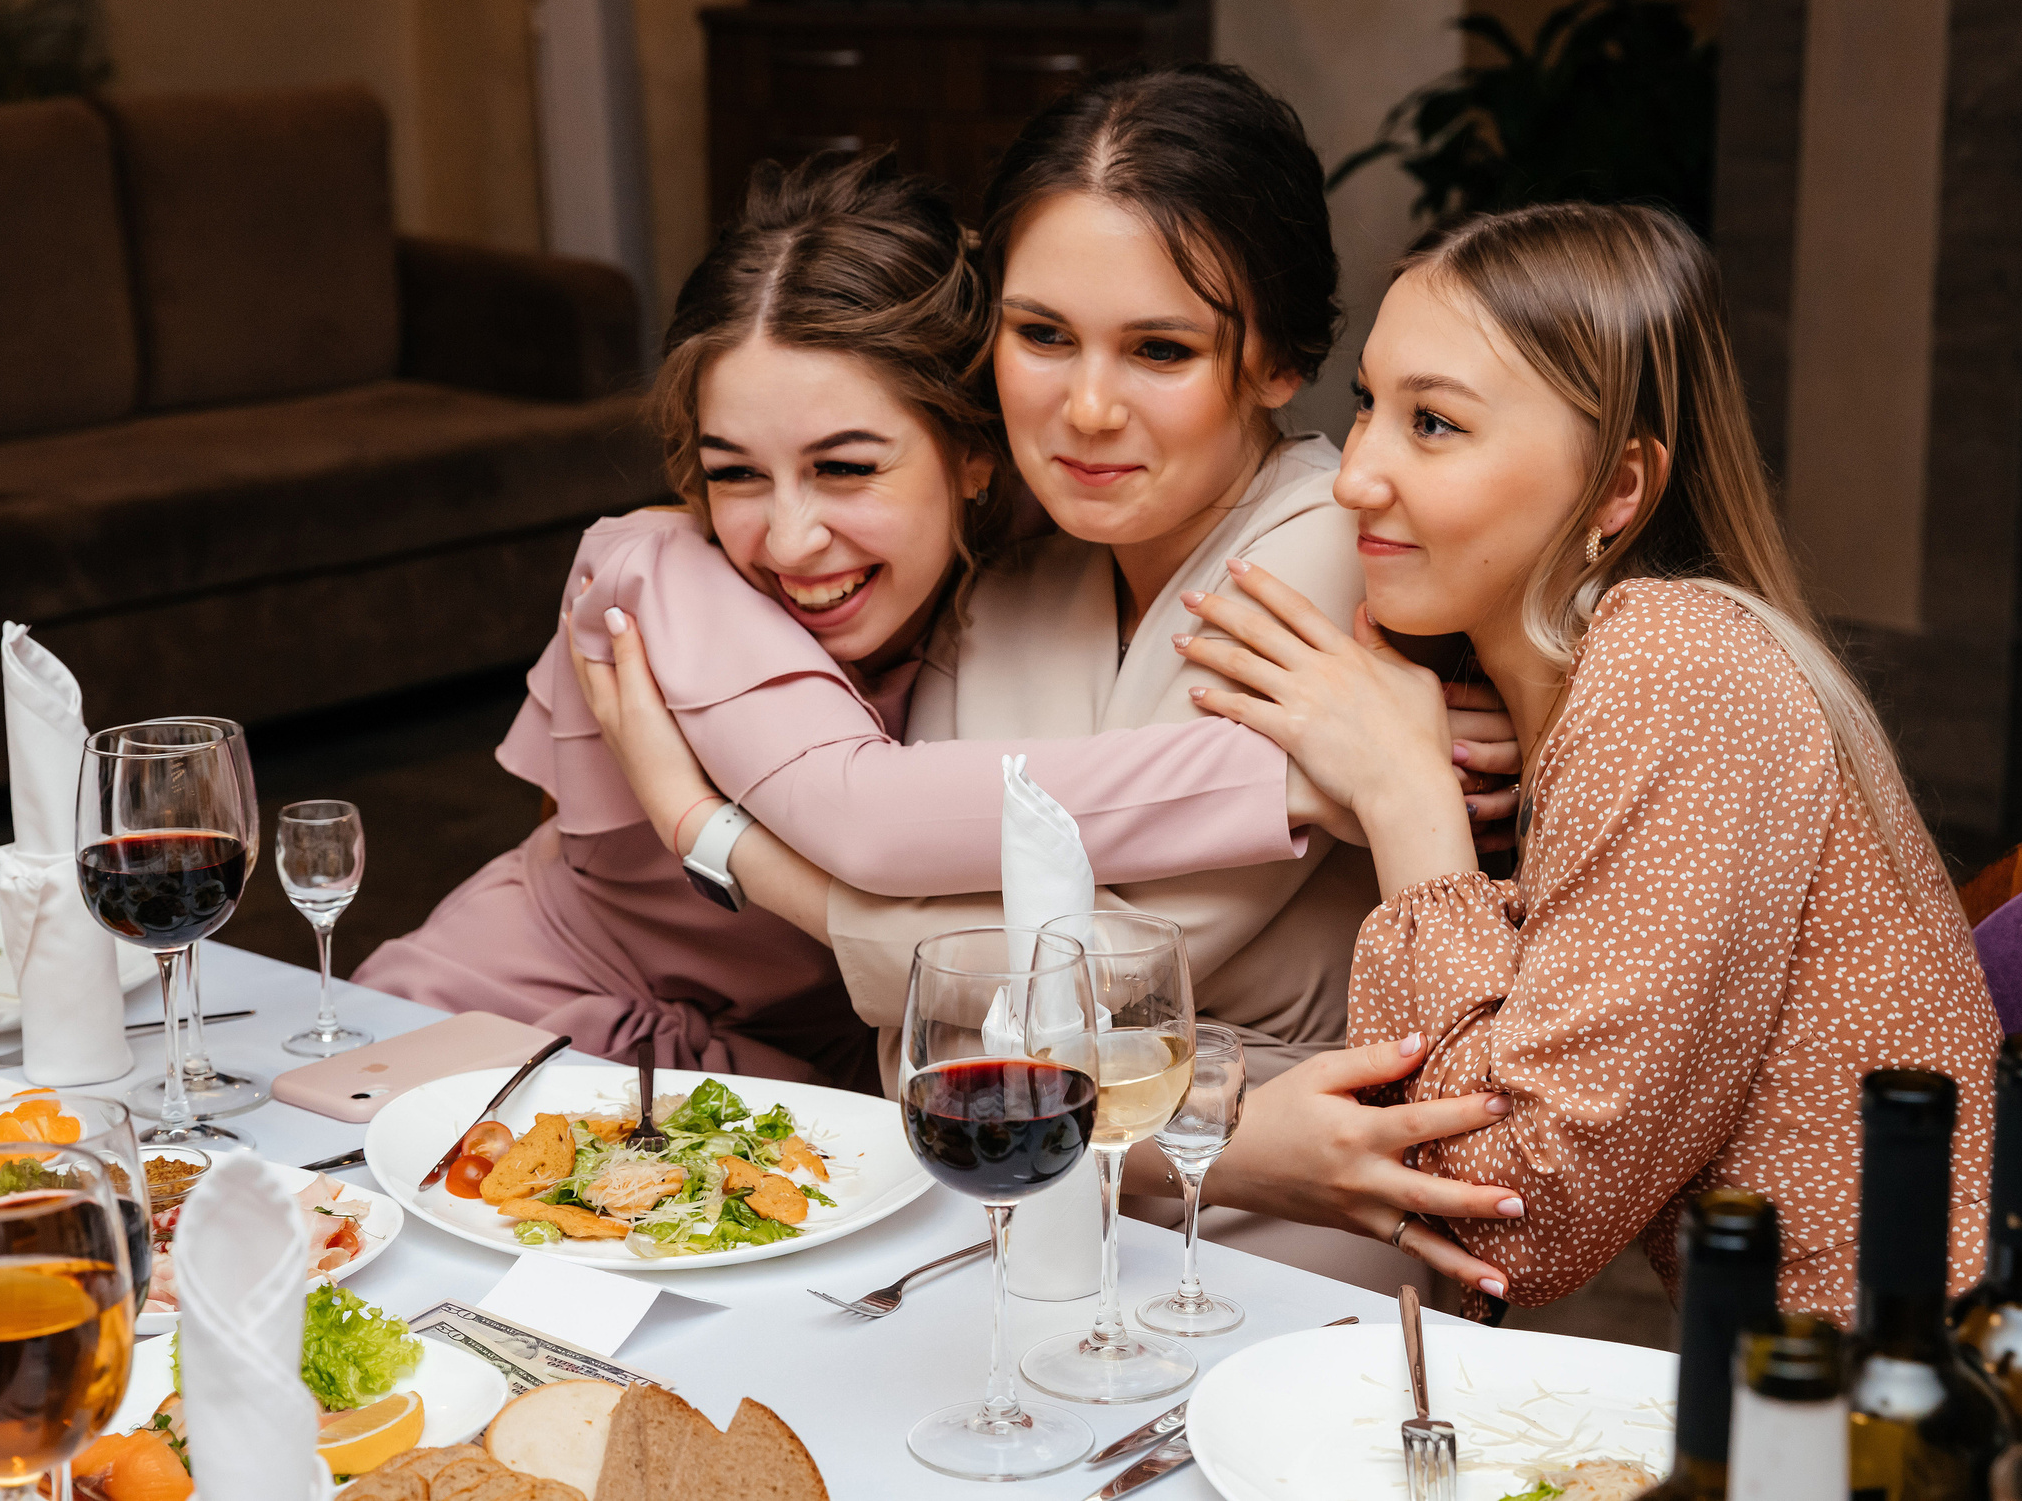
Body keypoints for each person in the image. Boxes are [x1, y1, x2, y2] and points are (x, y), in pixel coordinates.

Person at [573, 65, 1529, 1298]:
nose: (1083, 408)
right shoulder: (1012, 581)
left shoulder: (1338, 568)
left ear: (1280, 362)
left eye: (1160, 349)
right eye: (1040, 336)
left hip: (1299, 1207)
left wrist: (716, 834)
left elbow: (1049, 995)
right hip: (1040, 1179)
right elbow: (941, 1042)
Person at [357, 150, 1409, 1094]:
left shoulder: (1012, 582)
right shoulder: (662, 577)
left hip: (792, 1086)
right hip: (509, 1023)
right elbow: (869, 816)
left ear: (971, 456)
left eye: (846, 468)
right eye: (735, 475)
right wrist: (1312, 775)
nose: (789, 539)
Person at [1168, 201, 2001, 1316]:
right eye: (1368, 405)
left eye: (1435, 426)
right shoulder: (1585, 684)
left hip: (1901, 1422)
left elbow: (1511, 1210)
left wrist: (1406, 794)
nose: (1355, 475)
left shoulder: (1679, 665)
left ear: (1616, 488)